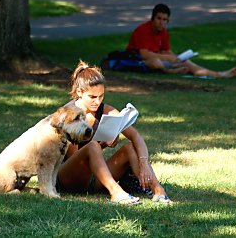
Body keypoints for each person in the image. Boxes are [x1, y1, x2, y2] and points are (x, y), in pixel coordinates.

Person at [57, 60, 172, 205]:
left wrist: (144, 164)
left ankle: (158, 191)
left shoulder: (106, 110)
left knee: (130, 147)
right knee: (93, 146)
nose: (97, 102)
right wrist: (102, 144)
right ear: (80, 92)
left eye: (101, 96)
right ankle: (116, 193)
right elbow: (75, 156)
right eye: (92, 97)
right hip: (69, 178)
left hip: (95, 177)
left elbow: (136, 136)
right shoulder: (70, 114)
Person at [126, 3, 236, 78]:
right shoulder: (143, 30)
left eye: (165, 20)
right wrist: (168, 57)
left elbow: (165, 50)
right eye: (158, 18)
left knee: (186, 62)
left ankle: (219, 74)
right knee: (156, 62)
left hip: (158, 58)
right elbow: (144, 54)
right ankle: (171, 71)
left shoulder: (163, 32)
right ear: (153, 18)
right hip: (137, 60)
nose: (161, 22)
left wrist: (176, 58)